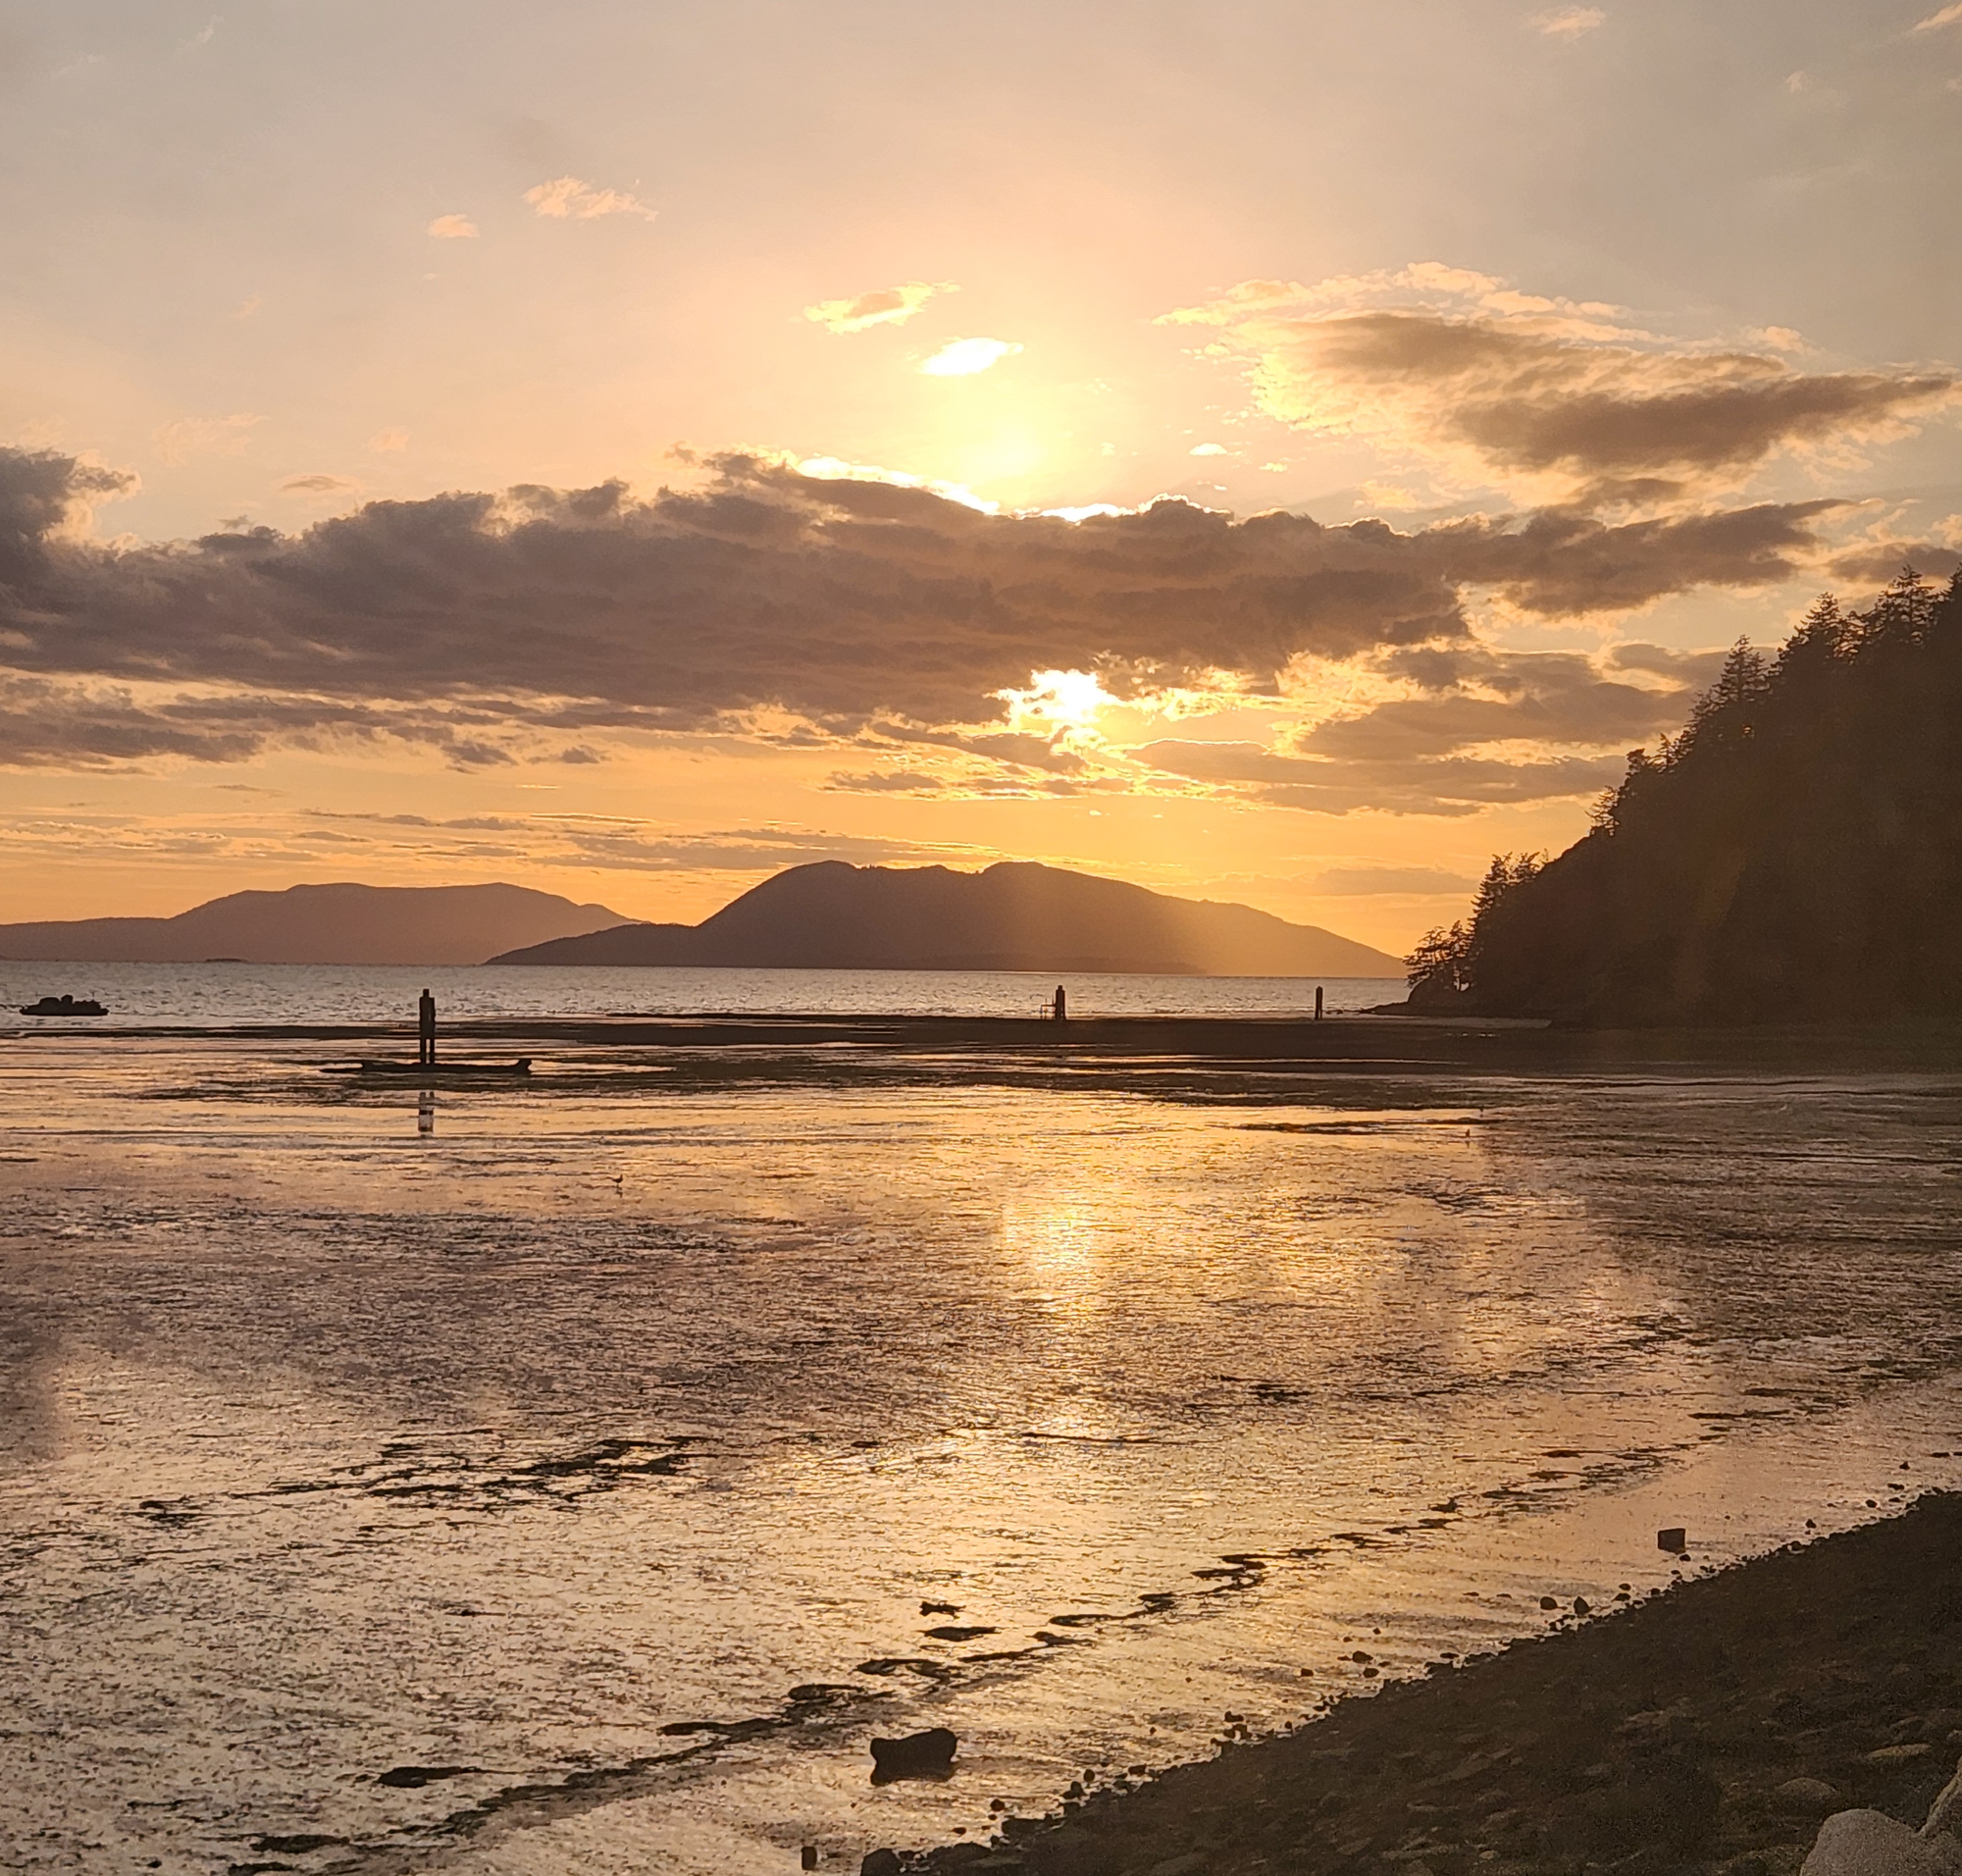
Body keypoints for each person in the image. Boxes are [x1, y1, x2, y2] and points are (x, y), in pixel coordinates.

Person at [418, 987, 437, 1066]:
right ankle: (426, 1056)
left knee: (426, 1039)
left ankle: (427, 1056)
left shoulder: (425, 1001)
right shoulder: (427, 1001)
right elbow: (431, 1012)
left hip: (426, 1022)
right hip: (426, 1022)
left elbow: (431, 1012)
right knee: (425, 1039)